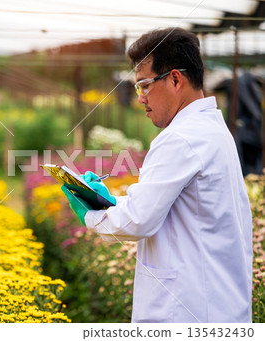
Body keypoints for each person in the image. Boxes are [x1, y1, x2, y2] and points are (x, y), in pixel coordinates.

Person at [62, 27, 252, 323]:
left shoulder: (180, 137)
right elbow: (173, 206)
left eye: (145, 85)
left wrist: (90, 213)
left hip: (188, 311)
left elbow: (139, 221)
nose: (140, 98)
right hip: (216, 304)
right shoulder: (213, 130)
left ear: (175, 79)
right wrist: (112, 202)